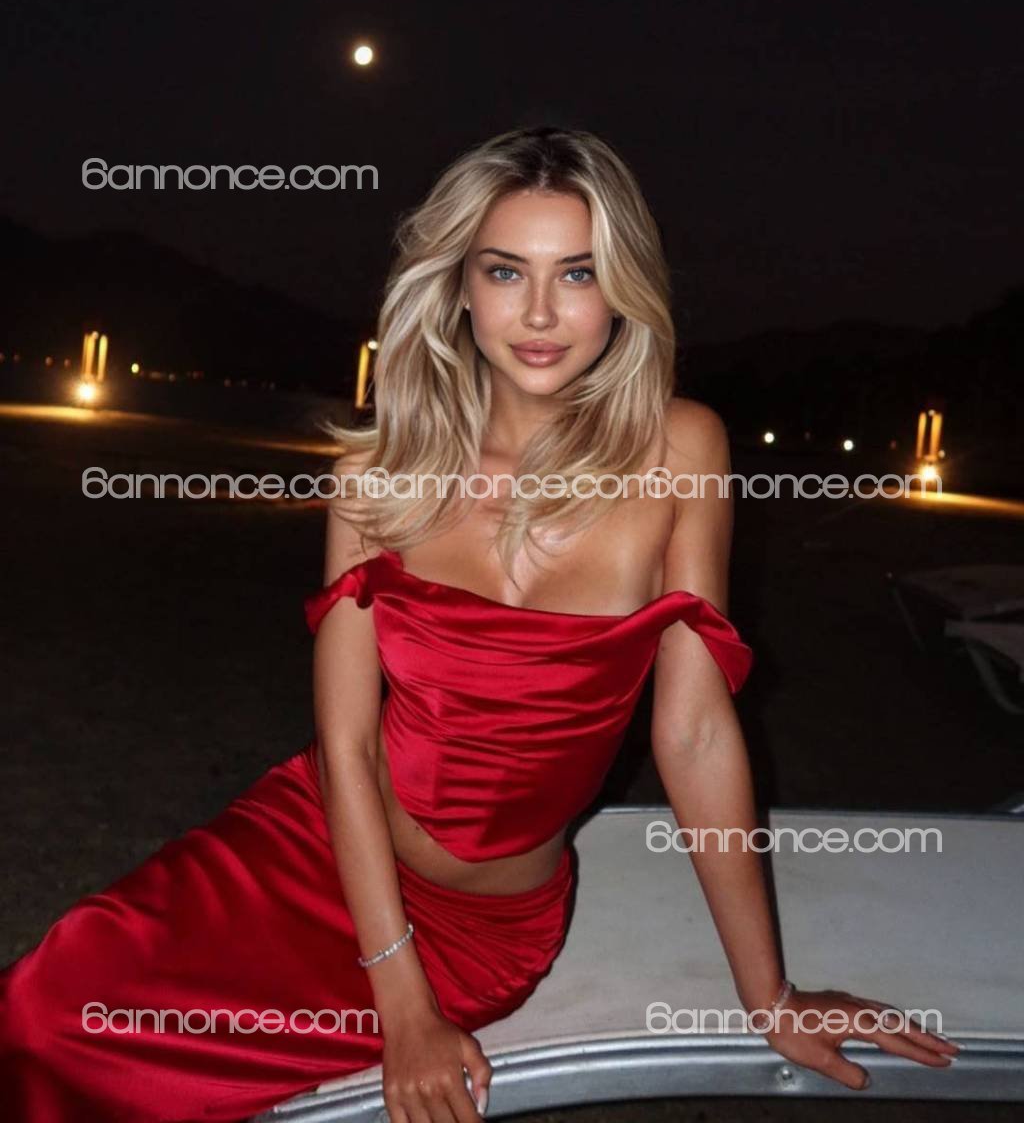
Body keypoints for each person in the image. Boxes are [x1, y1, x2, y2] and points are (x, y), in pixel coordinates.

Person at [0, 126, 959, 1121]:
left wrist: (771, 998)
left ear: (622, 288)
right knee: (45, 1005)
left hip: (480, 930)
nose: (540, 313)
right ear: (457, 286)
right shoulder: (376, 476)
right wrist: (399, 1001)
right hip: (311, 846)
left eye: (577, 273)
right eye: (505, 271)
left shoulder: (681, 448)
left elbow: (695, 730)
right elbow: (344, 744)